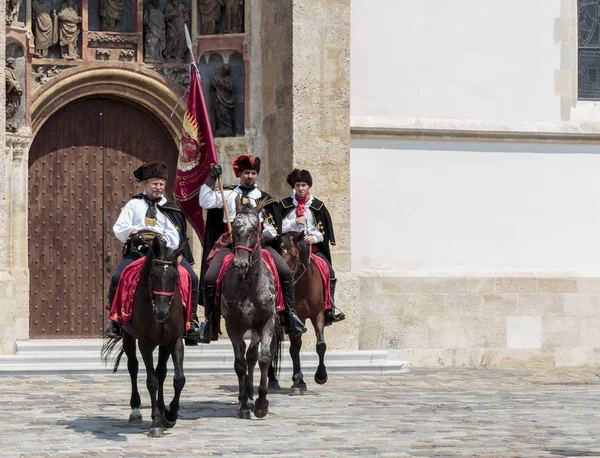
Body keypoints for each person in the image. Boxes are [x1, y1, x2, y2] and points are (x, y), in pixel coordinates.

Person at [198, 154, 307, 344]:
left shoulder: (266, 200)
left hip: (260, 246)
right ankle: (209, 322)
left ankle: (290, 315)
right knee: (209, 278)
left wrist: (263, 232)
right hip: (231, 245)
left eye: (254, 173)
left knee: (285, 273)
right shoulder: (229, 194)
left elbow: (275, 230)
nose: (250, 176)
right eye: (247, 173)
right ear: (240, 174)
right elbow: (205, 201)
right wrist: (211, 178)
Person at [104, 161, 202, 339]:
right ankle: (116, 323)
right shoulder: (134, 205)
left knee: (192, 277)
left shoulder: (171, 208)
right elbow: (120, 227)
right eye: (154, 183)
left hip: (164, 254)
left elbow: (176, 235)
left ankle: (191, 322)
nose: (158, 187)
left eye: (161, 184)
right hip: (139, 252)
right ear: (146, 184)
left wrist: (165, 245)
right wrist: (133, 233)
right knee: (118, 277)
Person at [280, 169, 345, 326]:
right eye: (298, 185)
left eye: (304, 185)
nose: (301, 188)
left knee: (330, 272)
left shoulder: (317, 206)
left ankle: (329, 308)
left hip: (311, 248)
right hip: (290, 248)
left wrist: (314, 237)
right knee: (278, 270)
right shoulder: (284, 205)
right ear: (294, 187)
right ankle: (279, 309)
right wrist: (294, 222)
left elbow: (323, 231)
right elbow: (277, 227)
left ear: (309, 186)